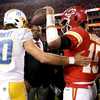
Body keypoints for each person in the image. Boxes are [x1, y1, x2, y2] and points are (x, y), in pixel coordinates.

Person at [0, 9, 90, 100]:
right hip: (14, 85)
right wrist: (73, 60)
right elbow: (43, 57)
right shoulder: (21, 33)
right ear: (18, 21)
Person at [45, 5, 100, 100]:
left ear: (74, 19)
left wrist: (50, 18)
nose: (63, 26)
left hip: (77, 89)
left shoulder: (79, 32)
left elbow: (52, 41)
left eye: (65, 22)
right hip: (91, 86)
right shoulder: (95, 39)